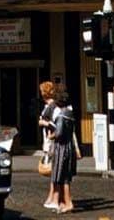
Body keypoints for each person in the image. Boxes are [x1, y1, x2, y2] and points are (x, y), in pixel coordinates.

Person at [50, 87, 77, 213]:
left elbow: (59, 133)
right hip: (69, 146)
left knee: (61, 177)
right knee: (66, 177)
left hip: (61, 148)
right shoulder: (70, 113)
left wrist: (51, 135)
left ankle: (68, 202)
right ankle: (65, 202)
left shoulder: (61, 115)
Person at [38, 80, 57, 209]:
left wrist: (44, 123)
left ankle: (53, 197)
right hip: (48, 141)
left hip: (51, 141)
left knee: (53, 170)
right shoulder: (49, 106)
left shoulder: (52, 107)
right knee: (53, 170)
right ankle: (53, 196)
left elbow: (57, 125)